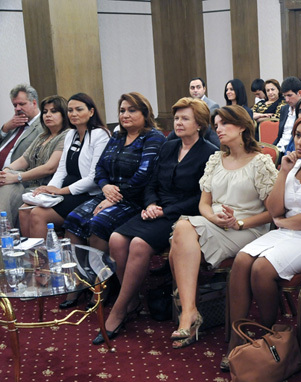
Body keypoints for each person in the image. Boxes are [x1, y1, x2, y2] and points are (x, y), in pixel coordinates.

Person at [222, 112, 301, 370]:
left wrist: (282, 222)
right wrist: (283, 172)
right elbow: (275, 207)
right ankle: (235, 340)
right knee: (242, 261)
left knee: (262, 268)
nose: (300, 142)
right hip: (287, 232)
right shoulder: (294, 165)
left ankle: (266, 334)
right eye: (297, 135)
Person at [91, 97, 217, 345]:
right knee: (116, 239)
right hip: (155, 207)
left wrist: (163, 211)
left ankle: (119, 308)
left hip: (183, 214)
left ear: (200, 123)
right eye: (177, 118)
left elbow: (200, 198)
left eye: (185, 119)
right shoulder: (169, 147)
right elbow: (152, 183)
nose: (178, 123)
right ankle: (134, 299)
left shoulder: (209, 153)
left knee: (138, 244)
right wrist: (150, 204)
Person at [168, 105, 278, 348]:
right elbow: (204, 204)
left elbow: (273, 213)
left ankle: (189, 315)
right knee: (182, 228)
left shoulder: (260, 162)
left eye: (224, 124)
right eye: (216, 124)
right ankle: (190, 311)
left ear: (241, 127)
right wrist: (213, 218)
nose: (218, 129)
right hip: (214, 222)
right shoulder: (216, 159)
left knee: (180, 236)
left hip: (248, 228)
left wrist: (238, 222)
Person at [62, 92, 165, 253]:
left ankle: (104, 277)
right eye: (122, 111)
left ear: (145, 113)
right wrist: (104, 187)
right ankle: (81, 273)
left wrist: (115, 197)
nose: (125, 115)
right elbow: (100, 168)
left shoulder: (153, 137)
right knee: (73, 219)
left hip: (135, 198)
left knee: (98, 224)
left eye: (132, 110)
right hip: (109, 193)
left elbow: (144, 174)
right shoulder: (118, 136)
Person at [24, 93, 110, 240]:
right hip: (66, 191)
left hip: (87, 193)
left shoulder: (100, 135)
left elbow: (93, 177)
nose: (73, 114)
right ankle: (30, 258)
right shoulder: (71, 134)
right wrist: (49, 189)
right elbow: (62, 169)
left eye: (79, 109)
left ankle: (44, 261)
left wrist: (60, 191)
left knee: (37, 214)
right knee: (25, 209)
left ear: (91, 111)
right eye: (70, 110)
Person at [1, 95, 68, 229]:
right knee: (4, 182)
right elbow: (24, 160)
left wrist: (16, 177)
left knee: (8, 186)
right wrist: (5, 172)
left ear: (64, 114)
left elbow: (50, 168)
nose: (48, 115)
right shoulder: (43, 136)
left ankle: (5, 234)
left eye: (54, 111)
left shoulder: (67, 135)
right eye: (45, 112)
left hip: (47, 187)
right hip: (28, 185)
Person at [0, 84, 43, 170]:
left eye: (21, 104)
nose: (17, 108)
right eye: (15, 105)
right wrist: (5, 128)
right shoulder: (13, 124)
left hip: (15, 177)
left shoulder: (43, 125)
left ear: (34, 103)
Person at [274, 77, 301, 152]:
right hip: (279, 147)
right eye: (284, 96)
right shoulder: (284, 109)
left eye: (289, 95)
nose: (286, 100)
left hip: (293, 149)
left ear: (299, 93)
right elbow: (279, 136)